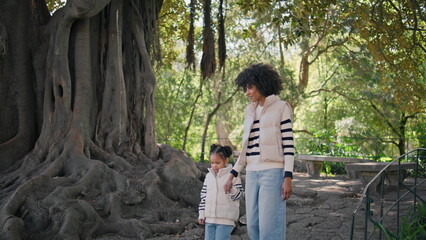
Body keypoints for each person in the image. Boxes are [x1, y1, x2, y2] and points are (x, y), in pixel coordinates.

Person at [224, 63, 294, 239]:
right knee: (253, 225)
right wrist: (232, 174)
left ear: (262, 84)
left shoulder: (281, 107)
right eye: (245, 88)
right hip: (252, 173)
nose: (247, 92)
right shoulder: (250, 111)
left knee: (269, 227)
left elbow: (288, 145)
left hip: (272, 172)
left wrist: (288, 177)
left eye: (250, 87)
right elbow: (245, 149)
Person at [198, 144, 244, 240]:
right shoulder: (208, 176)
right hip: (209, 219)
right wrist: (201, 214)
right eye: (212, 163)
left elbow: (240, 195)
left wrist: (232, 189)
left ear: (226, 160)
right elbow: (203, 197)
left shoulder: (233, 176)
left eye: (217, 163)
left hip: (226, 221)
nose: (214, 166)